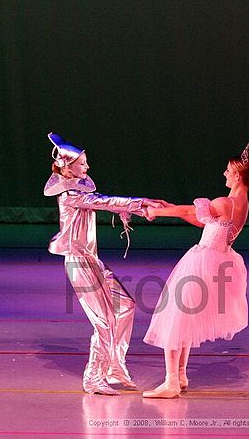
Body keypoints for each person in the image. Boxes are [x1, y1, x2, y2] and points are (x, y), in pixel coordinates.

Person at [44, 132, 162, 396]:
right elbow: (102, 201)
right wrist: (138, 204)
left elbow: (100, 202)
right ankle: (93, 377)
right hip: (78, 263)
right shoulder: (69, 194)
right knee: (104, 319)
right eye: (82, 163)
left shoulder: (77, 189)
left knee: (126, 307)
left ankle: (114, 366)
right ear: (67, 166)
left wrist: (138, 208)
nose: (87, 166)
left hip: (91, 261)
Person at [142, 143, 249, 398]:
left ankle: (171, 382)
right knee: (184, 319)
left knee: (173, 315)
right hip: (219, 262)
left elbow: (189, 210)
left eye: (228, 171)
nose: (224, 174)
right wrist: (169, 207)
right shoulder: (242, 204)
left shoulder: (225, 202)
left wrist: (157, 212)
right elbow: (200, 220)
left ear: (238, 175)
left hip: (203, 262)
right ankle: (180, 376)